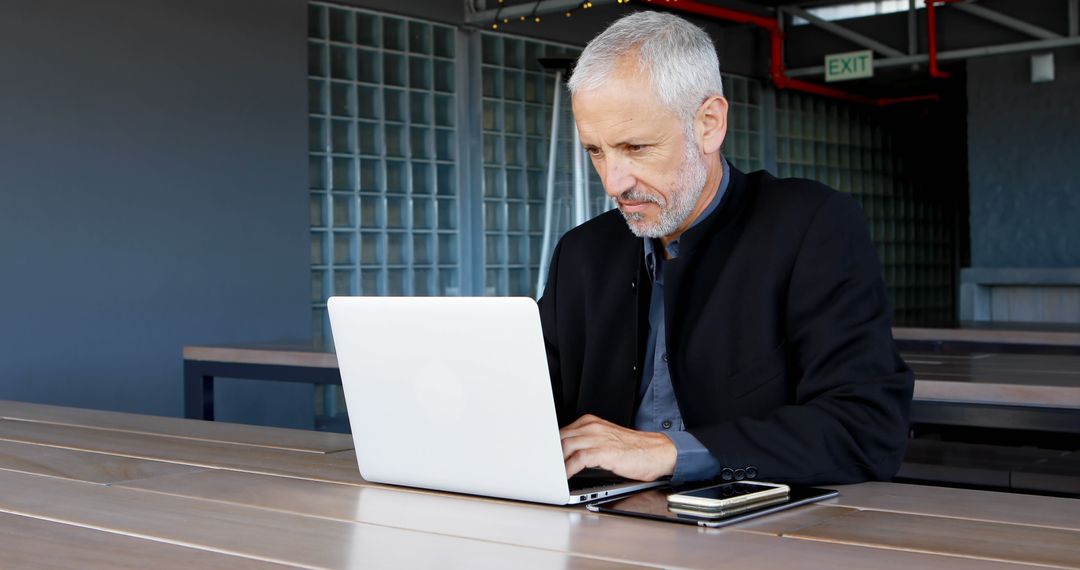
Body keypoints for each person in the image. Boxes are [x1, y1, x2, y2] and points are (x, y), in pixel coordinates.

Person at [539, 11, 913, 486]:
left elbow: (867, 427)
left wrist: (672, 452)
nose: (614, 182)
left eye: (635, 148)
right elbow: (525, 403)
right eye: (596, 151)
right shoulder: (582, 254)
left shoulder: (810, 227)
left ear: (709, 124)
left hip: (758, 538)